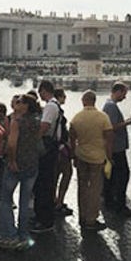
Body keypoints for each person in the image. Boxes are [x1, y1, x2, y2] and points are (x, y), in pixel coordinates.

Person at [0, 94, 41, 250]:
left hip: (16, 165)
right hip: (32, 164)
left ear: (26, 106)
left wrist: (12, 160)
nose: (16, 104)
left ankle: (9, 236)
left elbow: (12, 144)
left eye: (19, 102)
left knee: (6, 199)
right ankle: (23, 235)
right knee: (25, 202)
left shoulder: (16, 122)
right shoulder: (36, 120)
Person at [70, 90, 113, 231]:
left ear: (83, 101)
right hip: (97, 157)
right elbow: (109, 138)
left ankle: (82, 215)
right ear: (94, 101)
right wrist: (109, 157)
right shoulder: (103, 117)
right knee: (95, 188)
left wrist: (73, 156)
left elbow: (72, 138)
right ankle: (91, 219)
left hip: (81, 155)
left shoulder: (76, 118)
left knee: (82, 187)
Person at [31, 80, 63, 233]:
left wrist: (32, 141)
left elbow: (44, 127)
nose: (39, 96)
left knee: (43, 183)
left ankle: (44, 219)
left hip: (47, 148)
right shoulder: (56, 104)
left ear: (44, 90)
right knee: (47, 181)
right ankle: (44, 216)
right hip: (52, 147)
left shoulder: (50, 106)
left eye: (40, 92)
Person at [102, 82, 131, 215]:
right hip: (115, 148)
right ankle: (119, 204)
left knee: (111, 176)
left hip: (113, 147)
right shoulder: (111, 107)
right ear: (118, 92)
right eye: (124, 94)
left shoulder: (109, 105)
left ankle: (110, 201)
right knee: (123, 174)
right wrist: (128, 122)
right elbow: (111, 127)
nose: (124, 97)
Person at [53, 88, 73, 216]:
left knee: (56, 175)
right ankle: (59, 201)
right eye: (64, 96)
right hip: (61, 149)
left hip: (57, 148)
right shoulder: (57, 111)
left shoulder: (55, 110)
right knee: (66, 173)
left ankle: (55, 200)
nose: (65, 98)